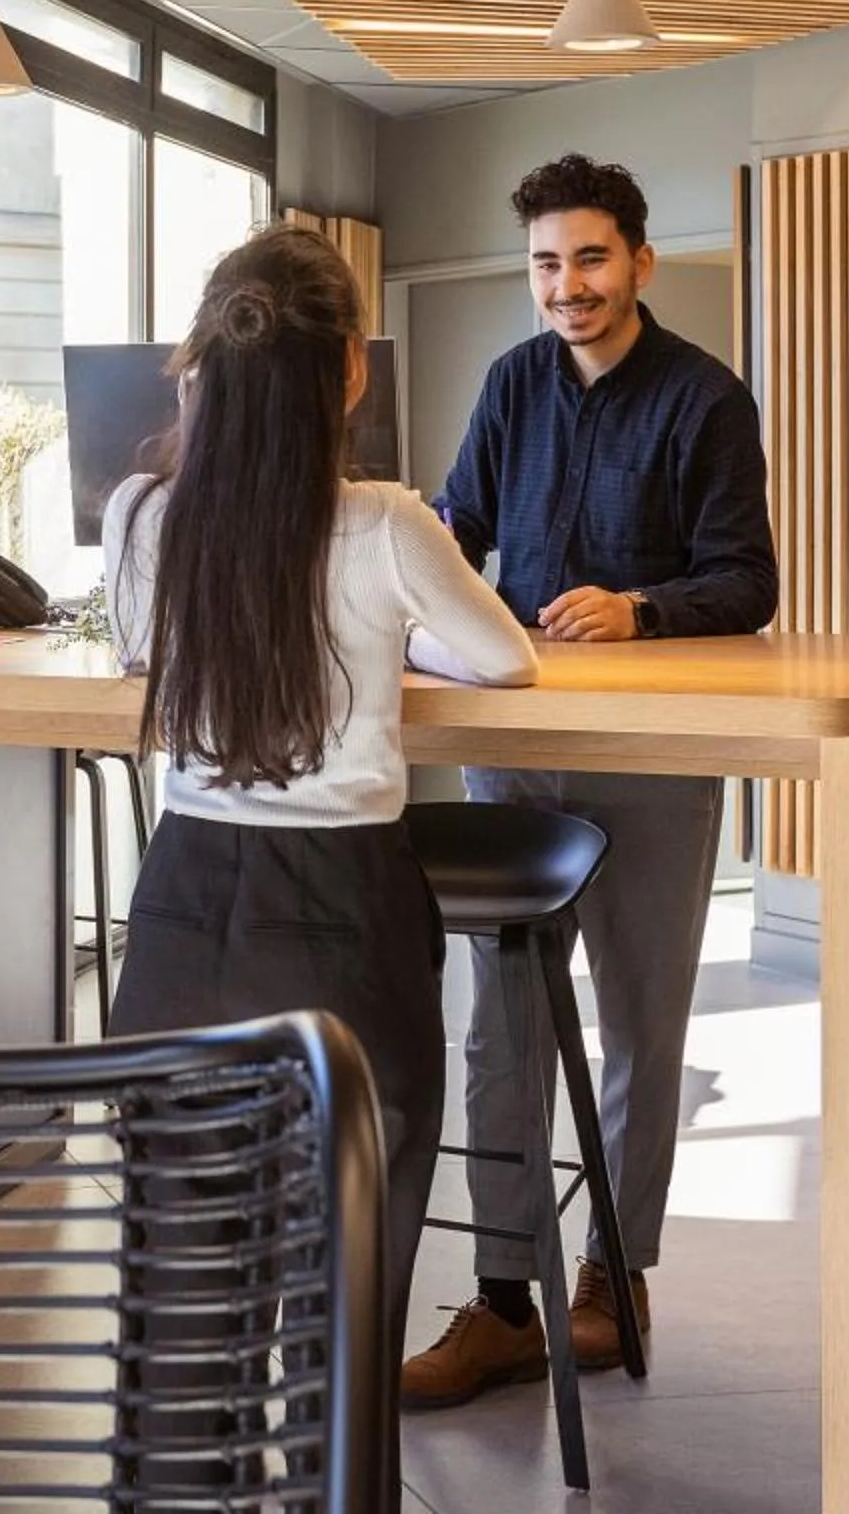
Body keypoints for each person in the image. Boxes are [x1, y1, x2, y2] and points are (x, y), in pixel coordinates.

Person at [103, 224, 538, 1482]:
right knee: (343, 1296)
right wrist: (392, 640)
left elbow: (138, 651)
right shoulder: (386, 522)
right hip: (345, 922)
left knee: (180, 1303)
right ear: (351, 369)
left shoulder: (140, 514)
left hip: (183, 909)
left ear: (199, 365)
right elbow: (506, 658)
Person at [401, 152, 779, 1408]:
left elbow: (748, 579)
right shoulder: (512, 381)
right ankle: (505, 1299)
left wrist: (641, 607)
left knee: (641, 1022)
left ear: (640, 262)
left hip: (652, 754)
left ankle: (616, 1279)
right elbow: (456, 526)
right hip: (516, 746)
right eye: (547, 263)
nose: (568, 284)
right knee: (501, 1026)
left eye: (591, 258)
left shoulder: (707, 398)